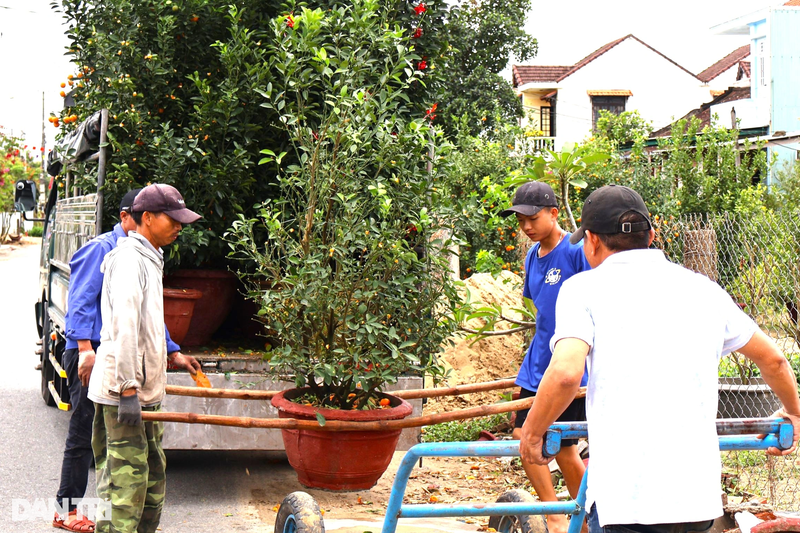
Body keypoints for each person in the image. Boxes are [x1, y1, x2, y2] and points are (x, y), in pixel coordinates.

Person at [519, 184, 800, 533]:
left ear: (590, 240)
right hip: (696, 500)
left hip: (627, 501)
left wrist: (531, 433)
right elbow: (774, 360)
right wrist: (794, 412)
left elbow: (565, 374)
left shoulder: (583, 290)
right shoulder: (703, 289)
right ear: (651, 235)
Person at [54, 189, 199, 533]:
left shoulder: (150, 258)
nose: (180, 226)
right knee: (123, 486)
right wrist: (126, 387)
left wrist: (172, 352)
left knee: (149, 480)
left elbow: (148, 320)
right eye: (173, 219)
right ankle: (66, 508)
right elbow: (120, 326)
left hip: (139, 385)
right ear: (145, 218)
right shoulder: (125, 258)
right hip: (118, 382)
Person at [499, 181, 590, 533]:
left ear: (554, 213)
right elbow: (539, 308)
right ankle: (553, 515)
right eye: (520, 219)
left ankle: (580, 520)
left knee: (565, 447)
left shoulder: (575, 250)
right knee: (525, 436)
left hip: (569, 364)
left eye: (532, 218)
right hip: (537, 363)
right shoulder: (531, 256)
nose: (525, 227)